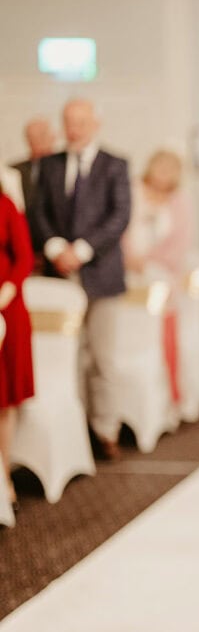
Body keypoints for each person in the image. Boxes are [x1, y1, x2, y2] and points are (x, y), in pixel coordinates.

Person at [30, 98, 131, 461]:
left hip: (101, 274)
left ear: (95, 124)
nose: (74, 129)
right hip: (61, 275)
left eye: (81, 122)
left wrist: (84, 250)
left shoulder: (115, 165)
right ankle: (76, 430)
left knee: (102, 357)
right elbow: (38, 212)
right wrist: (57, 248)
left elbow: (120, 216)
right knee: (69, 357)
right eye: (69, 122)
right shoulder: (51, 165)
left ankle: (106, 429)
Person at [123, 149, 194, 405]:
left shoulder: (179, 200)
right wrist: (130, 259)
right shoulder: (131, 190)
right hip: (127, 270)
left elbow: (180, 242)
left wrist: (150, 261)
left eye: (169, 169)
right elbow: (120, 225)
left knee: (163, 319)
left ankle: (170, 392)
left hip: (161, 273)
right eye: (159, 166)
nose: (163, 174)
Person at [0, 189, 35, 510]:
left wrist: (5, 293)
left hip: (6, 311)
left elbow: (24, 257)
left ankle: (5, 474)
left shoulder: (6, 204)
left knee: (4, 398)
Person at [9, 117, 55, 223]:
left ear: (53, 137)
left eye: (42, 135)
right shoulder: (13, 171)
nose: (38, 141)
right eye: (32, 137)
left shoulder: (67, 168)